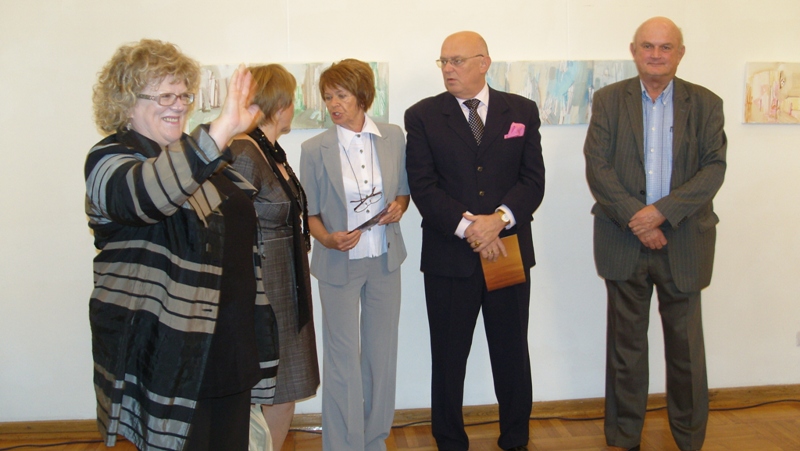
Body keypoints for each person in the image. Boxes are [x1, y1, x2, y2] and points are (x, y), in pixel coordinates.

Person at [85, 39, 279, 451]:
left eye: (183, 95)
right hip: (171, 355)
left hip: (228, 347)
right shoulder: (108, 161)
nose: (178, 106)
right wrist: (222, 130)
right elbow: (148, 194)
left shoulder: (199, 163)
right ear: (126, 102)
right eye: (164, 96)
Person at [583, 17, 727, 451]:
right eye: (648, 46)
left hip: (685, 241)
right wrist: (638, 220)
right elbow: (598, 167)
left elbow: (713, 170)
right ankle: (625, 437)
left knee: (686, 352)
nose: (656, 54)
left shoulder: (707, 103)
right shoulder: (609, 100)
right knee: (625, 350)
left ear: (680, 53)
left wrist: (661, 214)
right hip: (623, 239)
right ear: (634, 50)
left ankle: (689, 438)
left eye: (666, 47)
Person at [404, 31, 545, 451]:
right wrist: (472, 229)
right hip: (450, 256)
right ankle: (449, 440)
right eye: (444, 62)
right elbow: (423, 187)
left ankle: (516, 437)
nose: (448, 69)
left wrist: (498, 221)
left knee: (511, 352)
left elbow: (532, 181)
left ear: (484, 63)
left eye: (457, 61)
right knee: (449, 357)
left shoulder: (521, 111)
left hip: (507, 251)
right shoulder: (423, 116)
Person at [299, 58, 409, 451]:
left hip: (384, 261)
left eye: (341, 95)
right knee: (342, 359)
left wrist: (399, 206)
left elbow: (403, 191)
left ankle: (375, 440)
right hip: (337, 264)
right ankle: (344, 445)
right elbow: (309, 214)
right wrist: (327, 239)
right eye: (328, 97)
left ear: (362, 96)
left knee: (381, 356)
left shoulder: (393, 136)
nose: (333, 104)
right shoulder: (314, 149)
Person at [229, 64, 320, 451]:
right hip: (264, 292)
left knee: (286, 390)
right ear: (279, 104)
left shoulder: (268, 150)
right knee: (273, 392)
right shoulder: (243, 151)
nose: (294, 107)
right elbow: (231, 228)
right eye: (292, 99)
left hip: (286, 287)